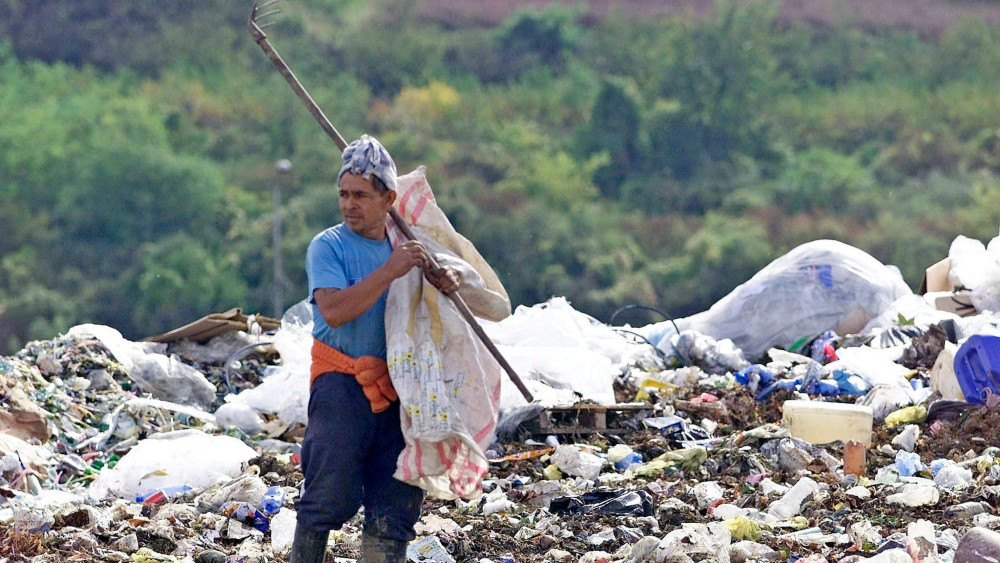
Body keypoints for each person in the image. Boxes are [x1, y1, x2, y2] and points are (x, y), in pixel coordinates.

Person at [292, 135, 460, 563]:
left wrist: (443, 283)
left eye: (361, 196)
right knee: (326, 492)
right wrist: (390, 270)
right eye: (344, 194)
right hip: (341, 385)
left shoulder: (406, 245)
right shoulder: (328, 246)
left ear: (388, 198)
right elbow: (333, 310)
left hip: (401, 388)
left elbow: (436, 311)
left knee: (396, 499)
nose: (349, 204)